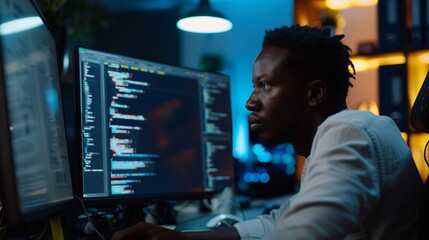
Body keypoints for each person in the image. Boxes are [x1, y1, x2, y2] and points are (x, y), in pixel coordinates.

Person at [111, 24, 424, 240]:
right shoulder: (361, 130)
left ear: (313, 94)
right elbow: (278, 222)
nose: (250, 102)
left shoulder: (348, 132)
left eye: (265, 85)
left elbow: (298, 234)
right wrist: (181, 237)